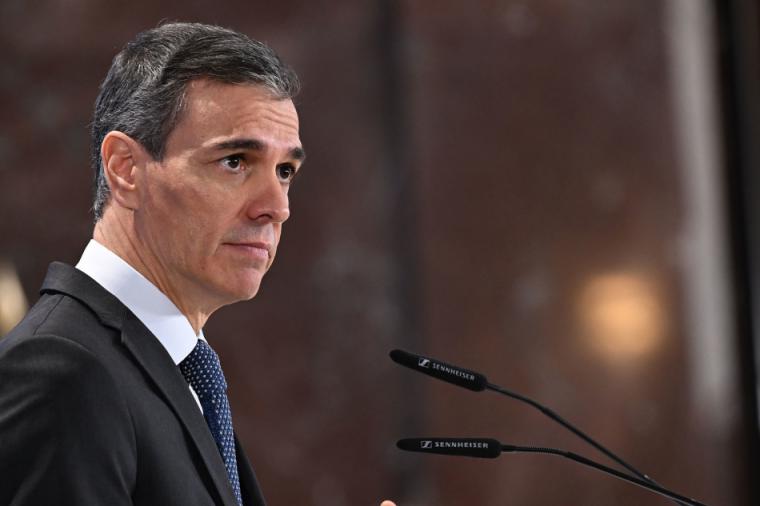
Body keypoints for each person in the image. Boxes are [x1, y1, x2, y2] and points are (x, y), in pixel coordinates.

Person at [0, 22, 396, 506]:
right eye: (235, 161)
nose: (277, 207)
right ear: (125, 169)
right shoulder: (62, 374)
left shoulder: (171, 366)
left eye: (285, 171)